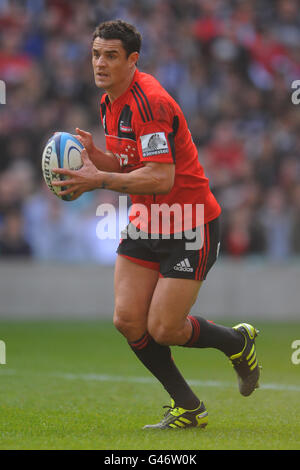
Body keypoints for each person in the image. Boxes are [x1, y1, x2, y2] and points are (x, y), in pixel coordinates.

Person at [52, 20, 260, 429]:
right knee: (127, 320)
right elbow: (133, 166)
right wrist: (97, 158)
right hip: (146, 220)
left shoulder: (150, 102)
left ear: (133, 60)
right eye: (96, 54)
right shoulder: (111, 101)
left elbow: (161, 177)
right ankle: (188, 406)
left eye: (111, 55)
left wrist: (100, 180)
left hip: (189, 223)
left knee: (164, 328)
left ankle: (237, 341)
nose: (100, 63)